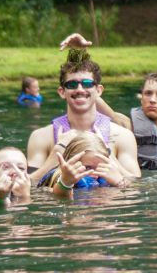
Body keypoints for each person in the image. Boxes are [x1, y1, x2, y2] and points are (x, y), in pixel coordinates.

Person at [58, 33, 157, 171]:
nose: (152, 99)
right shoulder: (126, 127)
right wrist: (78, 53)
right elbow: (88, 94)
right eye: (147, 93)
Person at [25, 51, 141, 183]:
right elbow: (28, 186)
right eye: (72, 85)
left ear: (98, 90)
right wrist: (55, 154)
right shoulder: (41, 137)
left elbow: (137, 185)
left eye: (87, 83)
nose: (80, 89)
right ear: (62, 92)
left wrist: (110, 157)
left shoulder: (122, 136)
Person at [39, 130, 130, 197]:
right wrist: (66, 182)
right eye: (87, 168)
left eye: (100, 168)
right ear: (70, 163)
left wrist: (120, 182)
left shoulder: (107, 178)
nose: (94, 174)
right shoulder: (57, 177)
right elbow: (60, 199)